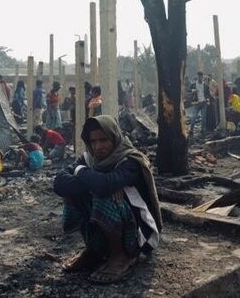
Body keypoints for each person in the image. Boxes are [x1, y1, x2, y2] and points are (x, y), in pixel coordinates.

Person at [53, 115, 161, 284]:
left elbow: (102, 187)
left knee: (102, 194)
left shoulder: (130, 160)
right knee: (76, 194)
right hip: (110, 226)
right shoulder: (89, 159)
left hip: (139, 235)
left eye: (103, 140)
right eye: (93, 141)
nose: (98, 146)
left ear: (115, 137)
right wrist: (98, 181)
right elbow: (59, 183)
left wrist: (83, 173)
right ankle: (94, 250)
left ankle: (120, 256)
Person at [190, 72, 209, 138]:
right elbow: (190, 92)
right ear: (197, 76)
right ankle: (191, 130)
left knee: (203, 117)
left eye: (201, 76)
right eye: (199, 76)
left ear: (202, 77)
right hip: (196, 103)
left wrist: (207, 100)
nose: (200, 77)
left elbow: (207, 94)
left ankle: (203, 130)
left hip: (203, 102)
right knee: (194, 117)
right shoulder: (193, 84)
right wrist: (193, 92)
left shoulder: (205, 85)